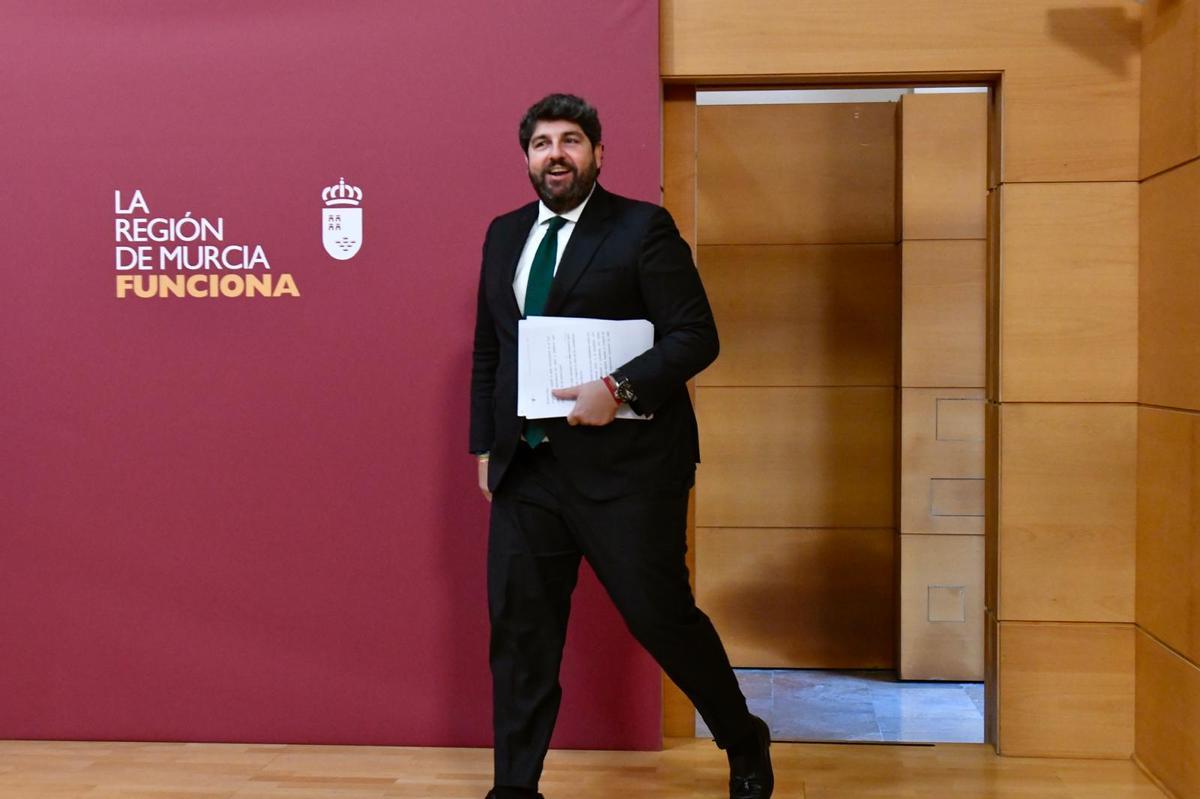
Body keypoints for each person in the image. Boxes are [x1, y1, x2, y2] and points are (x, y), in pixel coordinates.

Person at [469, 93, 774, 799]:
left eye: (571, 140)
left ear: (598, 154)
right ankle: (514, 788)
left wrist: (621, 387)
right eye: (542, 143)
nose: (556, 154)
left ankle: (741, 733)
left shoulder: (642, 229)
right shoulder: (502, 234)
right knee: (521, 637)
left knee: (660, 615)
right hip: (529, 470)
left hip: (629, 470)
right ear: (526, 158)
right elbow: (494, 348)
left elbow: (697, 335)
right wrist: (485, 446)